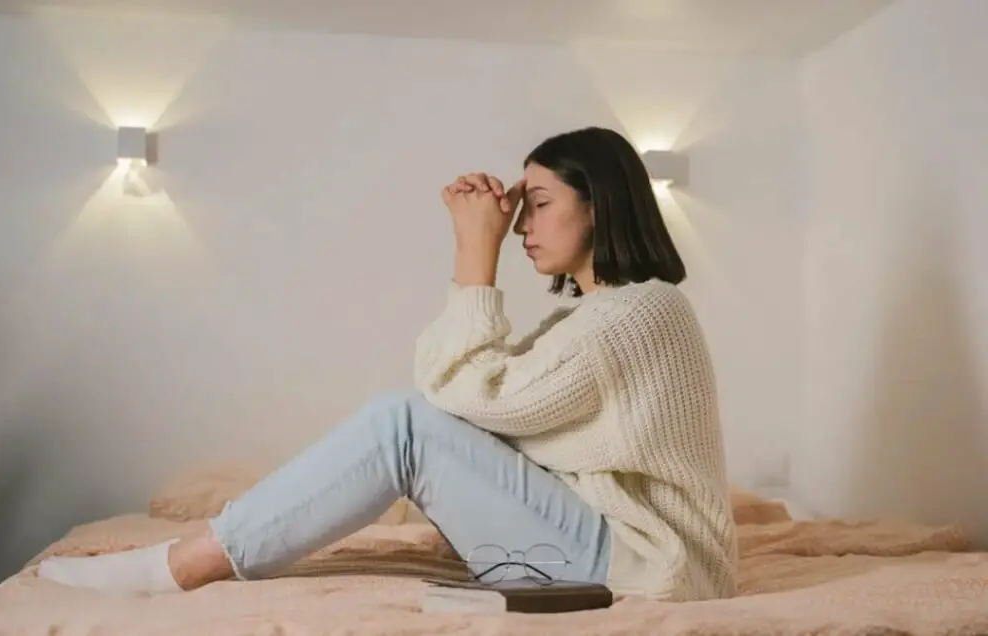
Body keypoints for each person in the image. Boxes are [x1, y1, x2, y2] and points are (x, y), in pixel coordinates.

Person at [37, 126, 737, 602]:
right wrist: (477, 254)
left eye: (540, 204)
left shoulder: (643, 312)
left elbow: (464, 397)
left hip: (649, 570)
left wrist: (474, 253)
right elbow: (461, 398)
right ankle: (210, 545)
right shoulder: (586, 319)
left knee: (400, 423)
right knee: (409, 419)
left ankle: (185, 564)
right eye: (521, 210)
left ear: (600, 205)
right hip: (606, 554)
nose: (523, 225)